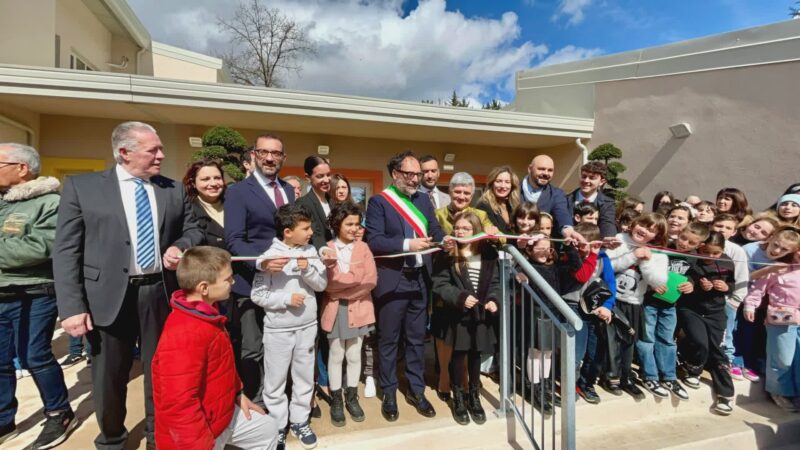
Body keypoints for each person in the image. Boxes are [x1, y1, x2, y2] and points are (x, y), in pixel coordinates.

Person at [54, 122, 203, 448]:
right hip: (105, 298)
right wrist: (72, 308)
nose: (162, 155)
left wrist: (181, 245)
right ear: (124, 152)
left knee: (161, 374)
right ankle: (111, 440)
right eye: (153, 150)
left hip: (158, 295)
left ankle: (156, 436)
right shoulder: (83, 187)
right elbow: (66, 252)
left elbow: (193, 229)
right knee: (109, 377)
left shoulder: (172, 189)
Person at [152, 246, 278, 450]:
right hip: (199, 433)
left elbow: (221, 365)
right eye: (228, 279)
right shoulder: (184, 334)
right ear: (204, 288)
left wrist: (238, 393)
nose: (233, 282)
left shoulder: (206, 315)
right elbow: (178, 403)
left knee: (267, 430)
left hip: (220, 412)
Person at [0, 143, 76, 449]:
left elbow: (42, 247)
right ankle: (4, 418)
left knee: (35, 355)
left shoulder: (50, 203)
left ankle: (59, 413)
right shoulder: (3, 203)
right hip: (3, 291)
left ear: (22, 168)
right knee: (1, 359)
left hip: (35, 291)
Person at [365, 151, 445, 422]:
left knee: (416, 339)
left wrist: (446, 240)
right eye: (408, 174)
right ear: (395, 173)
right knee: (388, 340)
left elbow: (435, 229)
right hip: (393, 280)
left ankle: (416, 389)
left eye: (418, 175)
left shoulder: (423, 199)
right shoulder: (379, 202)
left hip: (420, 279)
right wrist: (406, 245)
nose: (414, 179)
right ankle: (388, 391)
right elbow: (373, 240)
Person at [224, 133, 295, 406]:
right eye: (263, 152)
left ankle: (279, 400)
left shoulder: (288, 190)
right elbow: (234, 240)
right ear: (254, 155)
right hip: (250, 283)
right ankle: (255, 404)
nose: (269, 158)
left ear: (283, 158)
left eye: (275, 153)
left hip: (284, 282)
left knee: (280, 347)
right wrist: (261, 261)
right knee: (252, 348)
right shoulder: (238, 192)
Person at [251, 205, 327, 449]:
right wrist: (285, 300)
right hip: (278, 330)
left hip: (307, 327)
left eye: (310, 227)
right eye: (305, 228)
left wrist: (307, 272)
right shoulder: (269, 258)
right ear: (287, 232)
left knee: (304, 378)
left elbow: (321, 284)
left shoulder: (311, 251)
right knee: (275, 381)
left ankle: (300, 421)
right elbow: (258, 295)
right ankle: (278, 426)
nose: (310, 232)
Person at [432, 211, 500, 426]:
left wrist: (493, 299)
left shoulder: (489, 254)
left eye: (466, 229)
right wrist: (460, 297)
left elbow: (496, 283)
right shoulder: (449, 254)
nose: (460, 232)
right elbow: (440, 284)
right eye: (457, 228)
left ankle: (474, 396)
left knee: (476, 355)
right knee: (459, 355)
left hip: (480, 316)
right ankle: (459, 397)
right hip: (459, 315)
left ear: (476, 231)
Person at [320, 202, 377, 427]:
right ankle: (336, 399)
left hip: (360, 308)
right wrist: (354, 279)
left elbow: (370, 280)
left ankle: (351, 397)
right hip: (335, 310)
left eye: (357, 223)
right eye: (349, 224)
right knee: (336, 354)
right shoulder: (327, 249)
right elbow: (329, 283)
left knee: (354, 354)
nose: (354, 228)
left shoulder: (363, 248)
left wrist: (344, 287)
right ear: (337, 224)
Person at [636, 222, 707, 401]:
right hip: (650, 302)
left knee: (667, 340)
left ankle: (669, 376)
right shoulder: (663, 249)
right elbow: (644, 268)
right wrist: (653, 284)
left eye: (691, 243)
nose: (684, 244)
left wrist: (691, 284)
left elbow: (695, 275)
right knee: (647, 338)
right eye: (683, 238)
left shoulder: (693, 258)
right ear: (679, 233)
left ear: (698, 246)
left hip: (670, 305)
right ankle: (650, 376)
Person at [603, 212, 669, 399]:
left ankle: (626, 376)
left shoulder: (659, 254)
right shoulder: (619, 239)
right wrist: (633, 256)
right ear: (634, 223)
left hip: (634, 303)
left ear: (656, 236)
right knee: (610, 342)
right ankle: (611, 377)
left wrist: (646, 261)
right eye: (642, 224)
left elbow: (658, 281)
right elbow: (607, 265)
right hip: (611, 301)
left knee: (628, 342)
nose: (644, 230)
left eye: (651, 230)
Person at [677, 232, 736, 415]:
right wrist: (693, 287)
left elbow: (732, 284)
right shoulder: (692, 260)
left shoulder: (727, 263)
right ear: (700, 247)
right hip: (692, 309)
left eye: (715, 253)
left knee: (717, 350)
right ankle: (692, 368)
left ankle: (725, 394)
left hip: (716, 312)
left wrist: (726, 288)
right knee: (699, 341)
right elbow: (686, 279)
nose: (710, 257)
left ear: (722, 251)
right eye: (706, 252)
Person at [743, 250, 800, 412]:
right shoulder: (779, 268)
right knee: (782, 358)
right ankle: (779, 391)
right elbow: (759, 288)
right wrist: (750, 304)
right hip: (782, 317)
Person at [711, 213, 753, 382]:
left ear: (734, 232)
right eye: (719, 225)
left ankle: (726, 360)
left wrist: (735, 301)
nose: (722, 230)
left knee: (726, 333)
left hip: (727, 301)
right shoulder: (703, 245)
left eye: (728, 228)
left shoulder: (736, 251)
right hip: (704, 300)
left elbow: (742, 277)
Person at [520, 155, 583, 241]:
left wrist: (568, 230)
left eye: (550, 170)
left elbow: (562, 214)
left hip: (543, 248)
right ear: (530, 169)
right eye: (541, 169)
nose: (546, 173)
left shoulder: (557, 194)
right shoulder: (513, 190)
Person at [183, 159, 227, 249]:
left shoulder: (235, 204)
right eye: (205, 179)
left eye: (217, 178)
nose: (213, 183)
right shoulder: (188, 210)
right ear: (193, 183)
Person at [566, 161, 616, 238]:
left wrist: (609, 238)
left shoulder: (607, 204)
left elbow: (607, 224)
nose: (586, 181)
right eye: (584, 176)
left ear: (601, 182)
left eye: (592, 178)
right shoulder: (565, 200)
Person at [296, 156, 333, 250]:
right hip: (318, 256)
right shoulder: (303, 203)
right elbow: (314, 234)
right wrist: (325, 251)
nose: (326, 180)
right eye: (320, 176)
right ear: (308, 177)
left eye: (328, 174)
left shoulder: (334, 201)